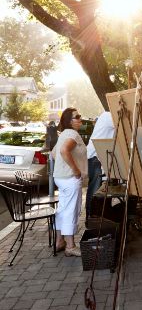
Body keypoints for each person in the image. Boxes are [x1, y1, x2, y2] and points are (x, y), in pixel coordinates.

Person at [52, 108, 88, 257]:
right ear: (69, 121)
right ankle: (71, 246)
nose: (80, 119)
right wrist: (75, 170)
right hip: (69, 178)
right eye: (77, 117)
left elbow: (54, 153)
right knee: (71, 211)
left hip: (60, 177)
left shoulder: (64, 134)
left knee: (62, 209)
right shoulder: (72, 134)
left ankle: (60, 241)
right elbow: (63, 151)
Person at [86, 111, 115, 222]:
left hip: (100, 157)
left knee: (101, 190)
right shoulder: (109, 116)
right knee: (95, 190)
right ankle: (91, 217)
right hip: (96, 158)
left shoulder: (107, 116)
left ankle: (100, 217)